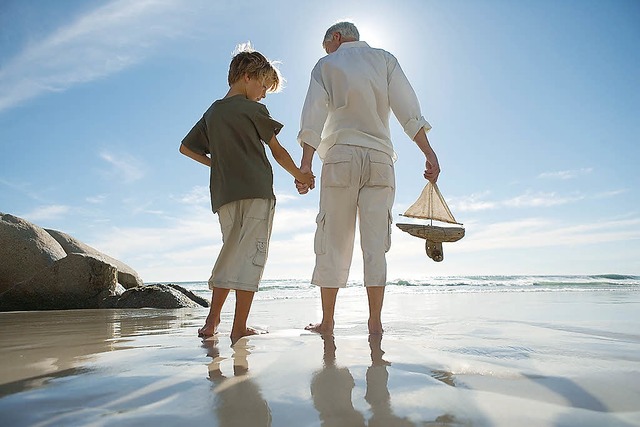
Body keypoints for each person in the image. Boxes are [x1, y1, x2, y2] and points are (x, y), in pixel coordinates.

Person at [296, 22, 441, 335]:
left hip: (340, 157)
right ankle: (375, 322)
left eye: (328, 46)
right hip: (379, 159)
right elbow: (408, 110)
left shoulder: (326, 65)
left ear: (335, 38)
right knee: (375, 245)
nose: (328, 51)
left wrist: (306, 165)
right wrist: (429, 154)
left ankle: (328, 322)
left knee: (332, 239)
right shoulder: (385, 60)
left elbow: (313, 117)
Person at [180, 44, 314, 344]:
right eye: (263, 86)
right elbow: (277, 151)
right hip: (256, 192)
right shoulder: (254, 110)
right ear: (247, 77)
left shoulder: (212, 113)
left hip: (224, 195)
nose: (264, 94)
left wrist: (215, 163)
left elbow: (186, 148)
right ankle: (238, 327)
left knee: (231, 251)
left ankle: (212, 320)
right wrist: (301, 175)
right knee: (250, 257)